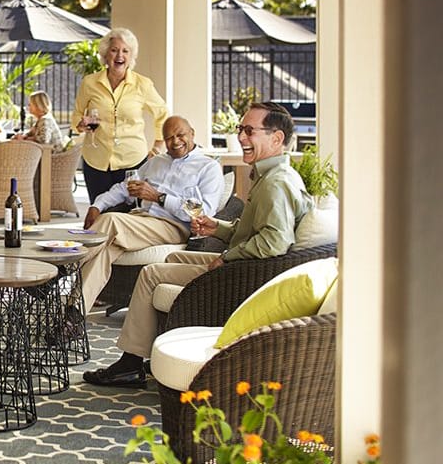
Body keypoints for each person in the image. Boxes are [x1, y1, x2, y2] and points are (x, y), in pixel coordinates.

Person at [83, 102, 312, 387]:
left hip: (236, 269)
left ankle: (124, 355)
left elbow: (274, 241)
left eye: (249, 130)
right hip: (175, 234)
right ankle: (142, 350)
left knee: (139, 258)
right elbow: (252, 230)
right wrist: (219, 227)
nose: (241, 137)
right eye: (241, 129)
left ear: (276, 138)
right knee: (150, 257)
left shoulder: (271, 182)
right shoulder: (270, 177)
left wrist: (227, 257)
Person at [77, 116, 224, 312]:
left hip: (173, 225)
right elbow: (124, 188)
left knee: (111, 220)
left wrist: (159, 197)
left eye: (180, 135)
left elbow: (204, 211)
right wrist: (97, 205)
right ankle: (73, 317)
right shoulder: (157, 162)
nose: (175, 141)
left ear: (192, 134)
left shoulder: (208, 167)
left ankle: (62, 268)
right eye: (169, 137)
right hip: (140, 220)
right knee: (104, 252)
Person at [71, 28, 168, 203]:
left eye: (125, 51)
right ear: (105, 55)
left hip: (132, 163)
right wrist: (80, 125)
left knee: (130, 216)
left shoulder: (142, 84)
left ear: (131, 57)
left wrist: (157, 147)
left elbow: (163, 114)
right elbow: (77, 115)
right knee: (98, 215)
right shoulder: (89, 83)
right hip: (96, 162)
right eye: (114, 50)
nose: (119, 56)